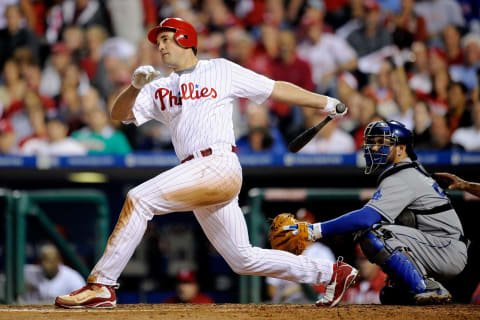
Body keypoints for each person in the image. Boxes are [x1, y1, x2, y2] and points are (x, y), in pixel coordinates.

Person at [54, 17, 355, 309]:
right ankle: (331, 273)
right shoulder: (158, 86)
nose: (160, 47)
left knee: (139, 199)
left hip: (218, 163)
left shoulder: (220, 69)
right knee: (243, 259)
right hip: (196, 173)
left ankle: (102, 284)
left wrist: (325, 102)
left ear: (186, 40)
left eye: (166, 39)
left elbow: (274, 88)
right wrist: (134, 87)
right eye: (158, 41)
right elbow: (118, 115)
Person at [284, 120, 468, 305]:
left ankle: (427, 287)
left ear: (400, 148)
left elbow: (366, 217)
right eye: (373, 142)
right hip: (437, 246)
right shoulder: (409, 170)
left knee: (372, 232)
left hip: (445, 249)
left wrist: (312, 230)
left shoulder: (403, 175)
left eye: (382, 142)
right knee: (391, 296)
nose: (374, 148)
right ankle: (416, 285)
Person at [21, 244, 85, 304]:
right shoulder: (29, 273)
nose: (44, 264)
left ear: (58, 261)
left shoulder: (72, 278)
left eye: (49, 260)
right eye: (42, 260)